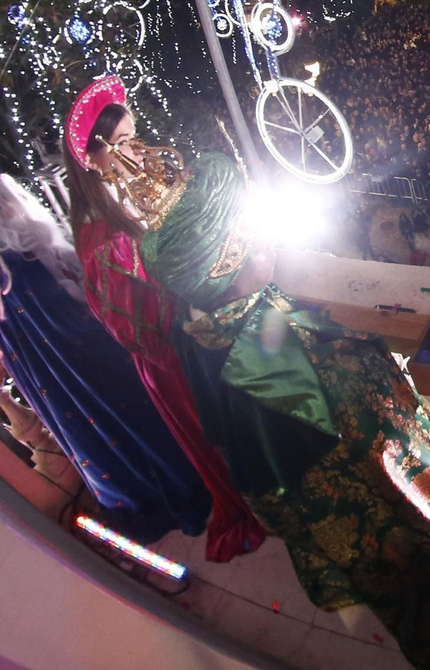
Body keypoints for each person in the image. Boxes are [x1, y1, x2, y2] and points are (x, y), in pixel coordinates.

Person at [139, 151, 430, 670]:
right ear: (228, 258)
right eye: (250, 228)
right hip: (382, 496)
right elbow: (393, 442)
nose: (265, 234)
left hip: (328, 511)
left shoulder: (210, 329)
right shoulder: (298, 360)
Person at [0, 159, 212, 544]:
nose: (16, 203)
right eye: (8, 199)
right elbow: (68, 317)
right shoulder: (15, 265)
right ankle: (183, 488)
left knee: (107, 436)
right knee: (141, 420)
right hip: (90, 363)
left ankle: (156, 495)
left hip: (60, 380)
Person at [61, 75, 267, 563]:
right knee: (230, 442)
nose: (139, 149)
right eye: (125, 142)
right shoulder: (102, 240)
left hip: (201, 334)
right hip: (178, 359)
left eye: (137, 134)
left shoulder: (139, 194)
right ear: (92, 159)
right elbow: (138, 327)